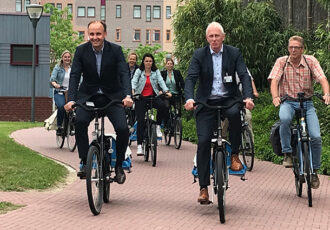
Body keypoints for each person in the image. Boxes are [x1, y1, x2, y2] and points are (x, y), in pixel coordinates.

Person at [184, 22, 254, 204]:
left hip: (229, 98)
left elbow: (244, 75)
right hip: (206, 101)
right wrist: (189, 99)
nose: (214, 39)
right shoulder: (199, 54)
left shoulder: (234, 52)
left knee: (235, 114)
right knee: (204, 141)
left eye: (217, 36)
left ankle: (235, 155)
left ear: (223, 37)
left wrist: (248, 97)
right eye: (211, 36)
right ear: (207, 38)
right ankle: (203, 188)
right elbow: (191, 78)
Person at [64, 20, 133, 184]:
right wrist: (72, 99)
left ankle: (118, 165)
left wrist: (127, 96)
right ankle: (83, 161)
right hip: (88, 95)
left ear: (105, 34)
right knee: (79, 122)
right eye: (92, 34)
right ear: (88, 34)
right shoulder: (81, 50)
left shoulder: (115, 50)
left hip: (112, 96)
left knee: (123, 128)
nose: (95, 37)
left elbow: (124, 73)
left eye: (98, 34)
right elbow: (75, 76)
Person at [268, 35, 330, 189]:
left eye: (296, 47)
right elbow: (274, 80)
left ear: (302, 49)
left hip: (307, 103)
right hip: (288, 101)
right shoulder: (281, 62)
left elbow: (322, 79)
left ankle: (314, 171)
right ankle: (287, 153)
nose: (293, 50)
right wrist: (275, 97)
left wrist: (326, 94)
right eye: (291, 47)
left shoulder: (310, 61)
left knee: (315, 136)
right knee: (284, 119)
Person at [131, 53, 171, 155]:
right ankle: (140, 145)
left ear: (152, 62)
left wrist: (166, 90)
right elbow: (134, 82)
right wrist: (133, 91)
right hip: (141, 98)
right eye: (146, 61)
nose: (148, 63)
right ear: (143, 62)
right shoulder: (139, 71)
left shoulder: (155, 71)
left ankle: (157, 126)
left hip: (153, 97)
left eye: (150, 61)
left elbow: (161, 81)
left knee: (163, 106)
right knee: (140, 121)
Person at [222, 69, 259, 140]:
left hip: (242, 99)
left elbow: (249, 79)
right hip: (226, 101)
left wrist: (254, 91)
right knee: (224, 121)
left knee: (247, 117)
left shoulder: (241, 67)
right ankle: (223, 143)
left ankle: (249, 148)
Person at [157, 58, 185, 128]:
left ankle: (177, 125)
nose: (169, 65)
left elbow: (182, 83)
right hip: (166, 95)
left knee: (178, 111)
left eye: (171, 64)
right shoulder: (162, 73)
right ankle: (166, 125)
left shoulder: (177, 72)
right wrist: (160, 90)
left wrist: (185, 90)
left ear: (173, 65)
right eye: (168, 64)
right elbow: (159, 83)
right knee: (166, 108)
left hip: (176, 95)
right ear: (165, 65)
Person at [50, 50, 72, 136]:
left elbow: (79, 79)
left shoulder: (73, 68)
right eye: (65, 57)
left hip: (70, 92)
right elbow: (52, 79)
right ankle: (59, 127)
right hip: (60, 92)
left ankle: (72, 124)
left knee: (76, 106)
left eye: (68, 57)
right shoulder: (57, 68)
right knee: (61, 106)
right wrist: (55, 84)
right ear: (62, 58)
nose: (67, 58)